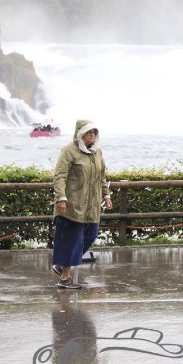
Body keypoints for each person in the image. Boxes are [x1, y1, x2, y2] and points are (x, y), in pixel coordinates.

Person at [51, 120, 112, 289]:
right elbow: (59, 176)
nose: (92, 134)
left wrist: (106, 195)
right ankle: (65, 278)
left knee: (91, 234)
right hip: (73, 204)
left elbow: (102, 176)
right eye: (88, 132)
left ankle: (62, 265)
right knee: (72, 239)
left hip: (92, 206)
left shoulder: (97, 152)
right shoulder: (69, 151)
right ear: (79, 134)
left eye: (94, 132)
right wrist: (61, 198)